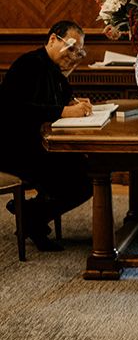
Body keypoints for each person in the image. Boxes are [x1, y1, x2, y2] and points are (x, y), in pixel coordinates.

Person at [0, 20, 93, 251]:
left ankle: (31, 212)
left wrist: (76, 102)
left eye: (78, 51)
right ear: (53, 39)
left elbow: (63, 96)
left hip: (37, 144)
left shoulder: (53, 69)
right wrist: (65, 110)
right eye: (70, 48)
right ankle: (33, 218)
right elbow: (17, 110)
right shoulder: (28, 64)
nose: (73, 55)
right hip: (13, 147)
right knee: (82, 180)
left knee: (87, 171)